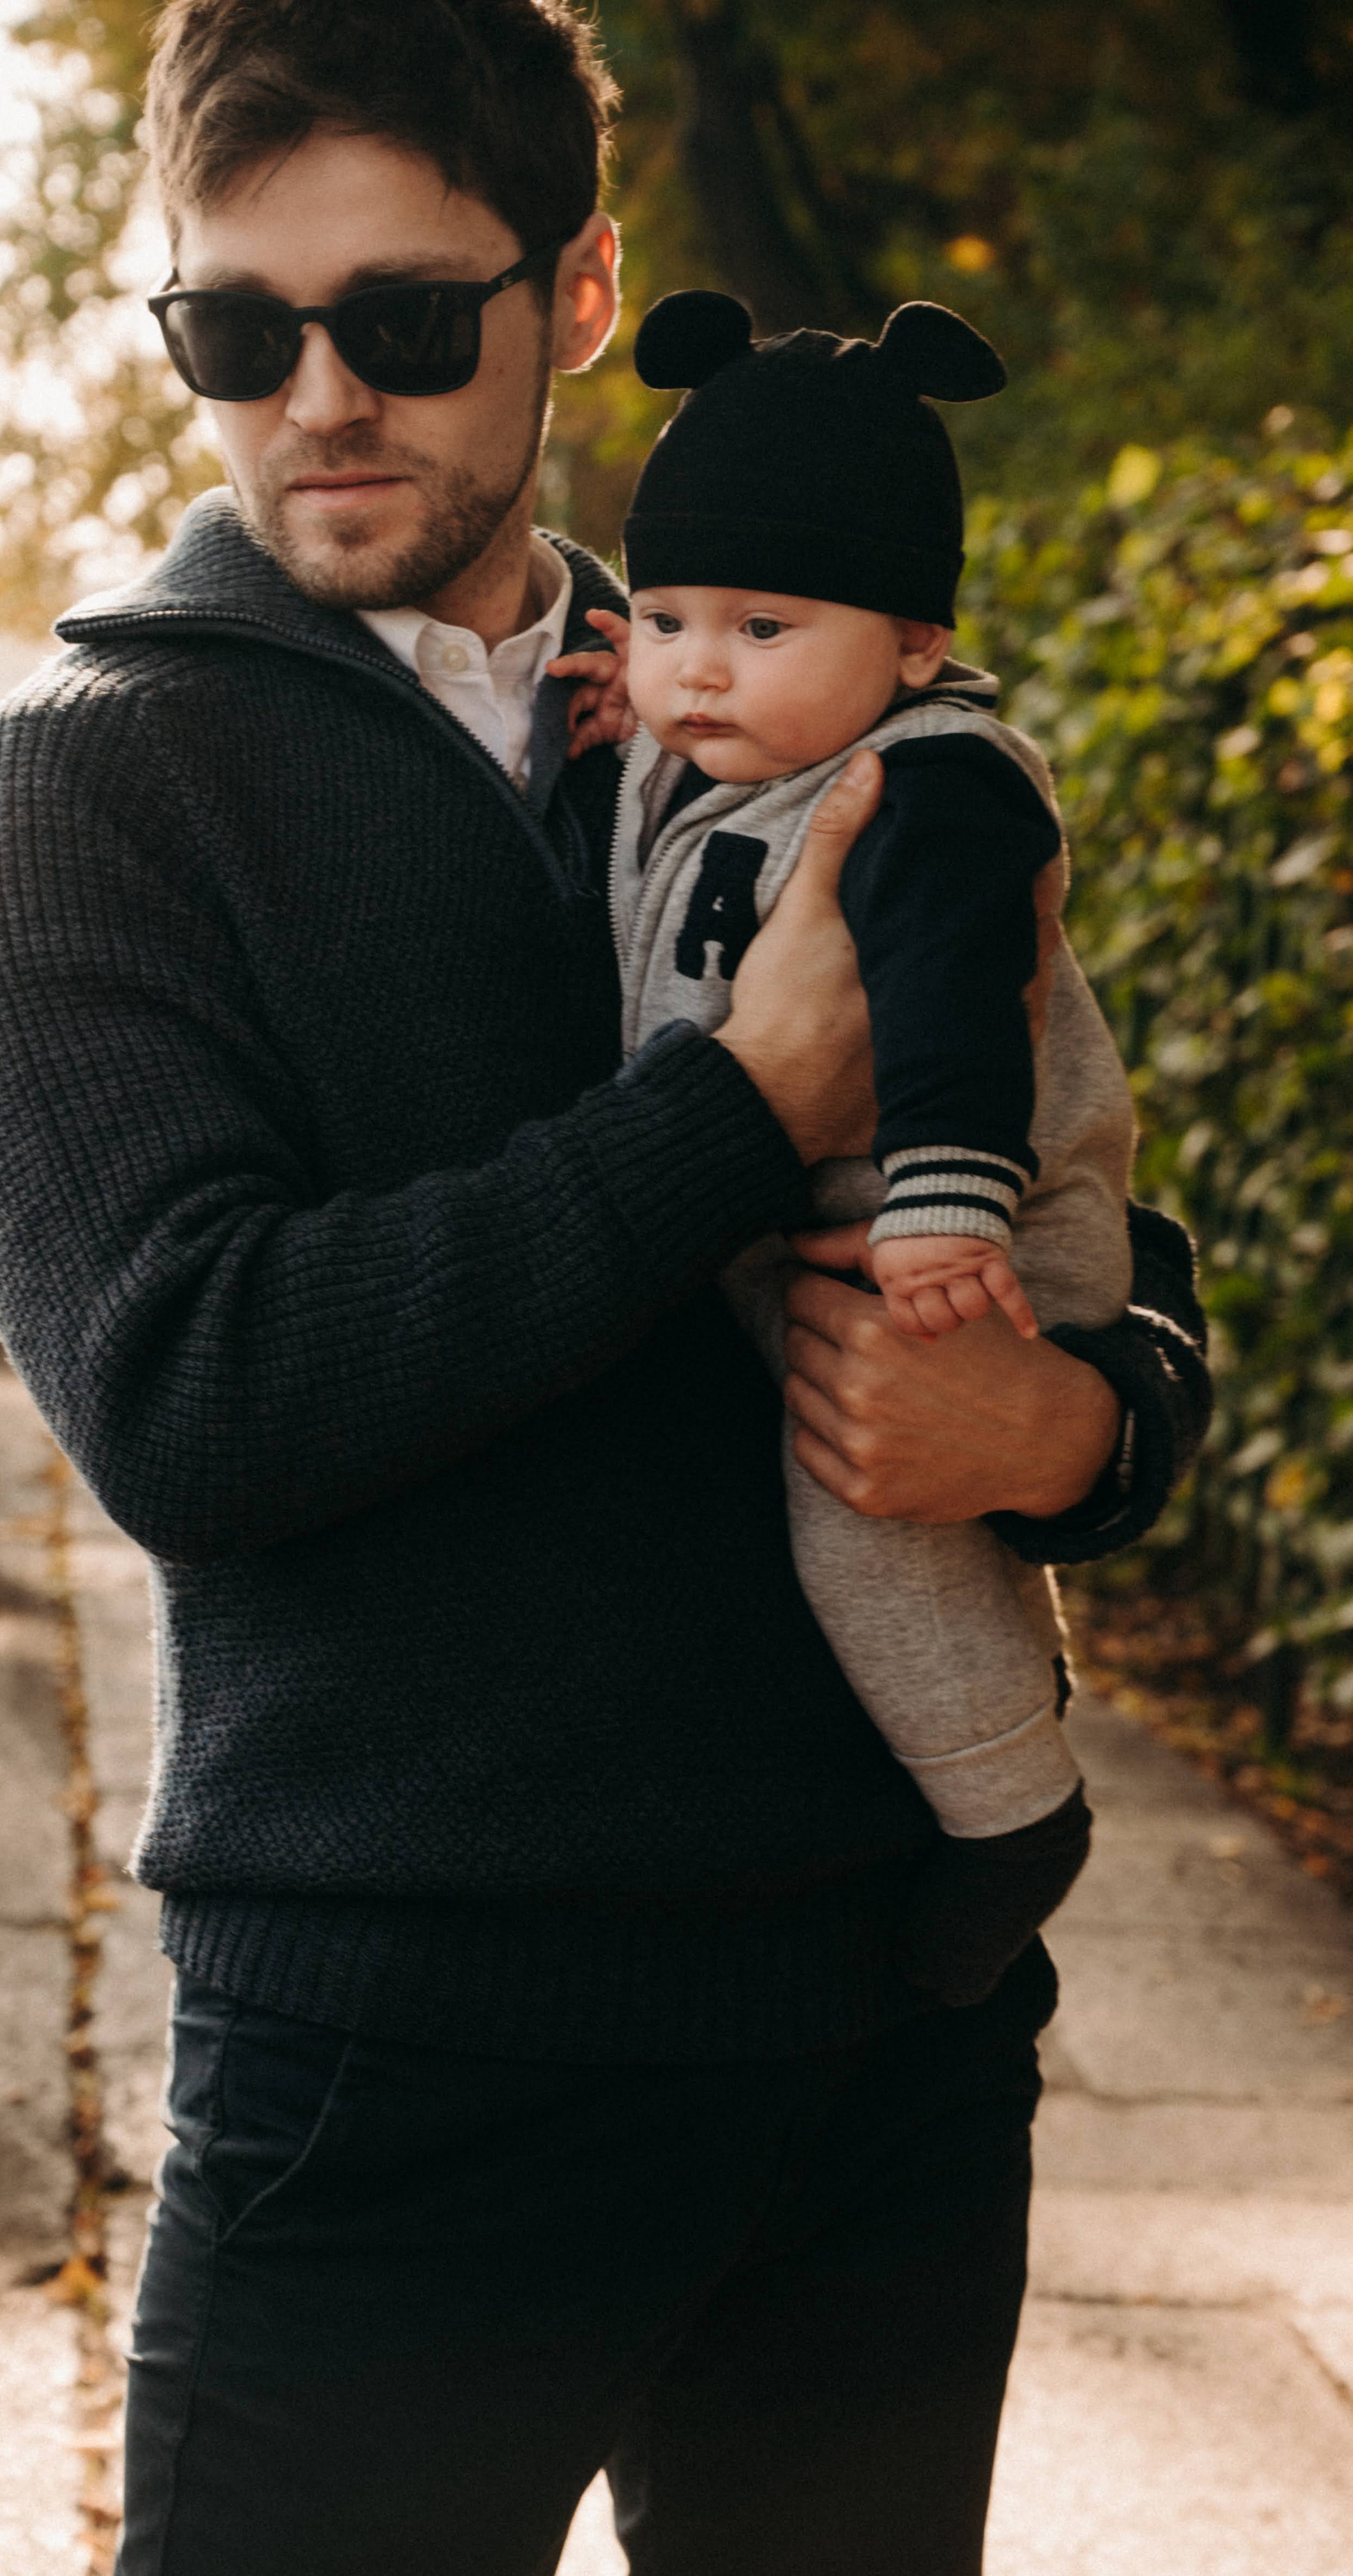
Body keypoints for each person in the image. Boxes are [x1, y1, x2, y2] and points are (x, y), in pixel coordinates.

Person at [0, 0, 1210, 2570]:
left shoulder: (794, 693)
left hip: (887, 2039)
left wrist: (1085, 1426)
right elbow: (193, 1398)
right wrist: (730, 1113)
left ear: (582, 288)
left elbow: (1089, 1190)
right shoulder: (82, 788)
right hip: (401, 2071)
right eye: (234, 334)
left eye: (400, 312)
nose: (323, 400)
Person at [548, 286, 1139, 2009]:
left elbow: (955, 992)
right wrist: (631, 726)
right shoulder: (735, 754)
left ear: (913, 648)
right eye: (660, 621)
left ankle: (1006, 1808)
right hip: (826, 1225)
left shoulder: (933, 785)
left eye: (759, 625)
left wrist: (951, 1202)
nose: (697, 667)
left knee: (862, 1521)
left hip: (959, 1232)